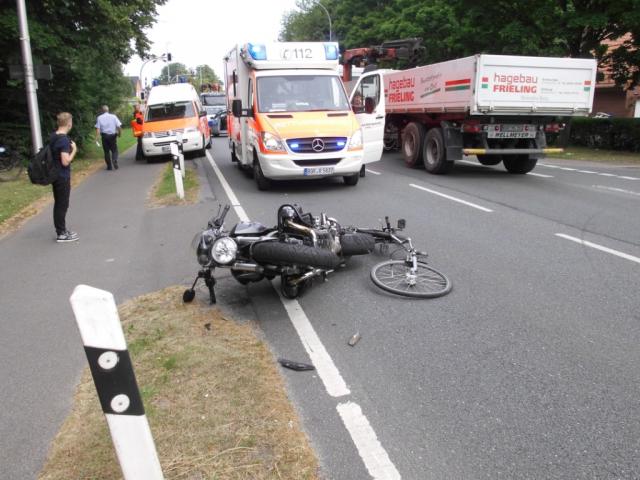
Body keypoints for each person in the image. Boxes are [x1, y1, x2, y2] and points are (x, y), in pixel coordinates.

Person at [50, 112, 78, 243]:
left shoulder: (53, 136)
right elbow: (65, 161)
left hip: (55, 174)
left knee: (59, 203)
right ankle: (61, 233)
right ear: (69, 124)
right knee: (62, 204)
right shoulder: (63, 140)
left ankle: (61, 230)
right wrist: (74, 150)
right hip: (62, 176)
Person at [95, 105, 122, 170]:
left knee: (106, 152)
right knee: (114, 150)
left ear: (102, 111)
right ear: (108, 110)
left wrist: (97, 138)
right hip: (113, 136)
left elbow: (98, 129)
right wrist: (119, 134)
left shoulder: (99, 118)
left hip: (104, 136)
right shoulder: (114, 116)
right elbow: (119, 126)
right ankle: (114, 159)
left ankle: (109, 166)